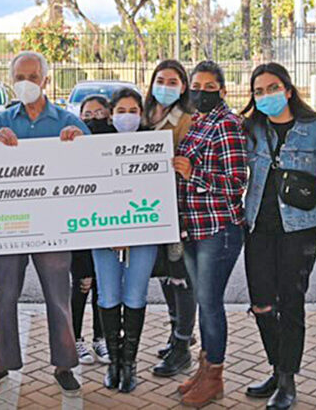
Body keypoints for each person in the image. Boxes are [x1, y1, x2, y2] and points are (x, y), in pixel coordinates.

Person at [0, 51, 89, 397]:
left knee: (58, 296)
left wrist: (81, 141)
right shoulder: (3, 120)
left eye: (33, 77)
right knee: (4, 294)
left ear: (46, 81)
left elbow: (97, 163)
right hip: (9, 224)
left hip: (54, 227)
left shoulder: (66, 121)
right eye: (20, 77)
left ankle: (65, 364)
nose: (27, 83)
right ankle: (0, 363)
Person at [240, 62, 316, 410]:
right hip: (258, 225)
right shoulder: (251, 129)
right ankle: (278, 368)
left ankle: (287, 381)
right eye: (259, 91)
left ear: (288, 90)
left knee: (291, 304)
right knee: (261, 303)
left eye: (272, 88)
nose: (266, 96)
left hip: (301, 228)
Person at [173, 60, 248, 407]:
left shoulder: (227, 125)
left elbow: (236, 183)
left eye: (209, 87)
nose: (201, 93)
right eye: (196, 86)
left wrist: (193, 175)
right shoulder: (198, 122)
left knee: (210, 304)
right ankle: (205, 371)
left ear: (222, 90)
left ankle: (214, 375)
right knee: (204, 302)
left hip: (219, 229)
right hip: (194, 226)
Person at [93, 87, 158, 394]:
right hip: (103, 234)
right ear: (111, 114)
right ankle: (113, 362)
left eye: (133, 111)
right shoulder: (96, 144)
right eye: (121, 111)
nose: (127, 116)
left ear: (141, 114)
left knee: (135, 296)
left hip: (143, 236)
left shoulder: (153, 144)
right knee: (107, 296)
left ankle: (129, 364)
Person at [142, 59, 198, 378]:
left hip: (178, 210)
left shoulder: (186, 119)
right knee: (165, 274)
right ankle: (177, 331)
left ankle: (182, 348)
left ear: (183, 86)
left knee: (181, 276)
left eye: (172, 81)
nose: (164, 86)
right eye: (160, 80)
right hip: (150, 210)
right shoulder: (145, 115)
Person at [70, 94, 114, 366]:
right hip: (80, 223)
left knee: (102, 285)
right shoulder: (73, 141)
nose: (93, 118)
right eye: (88, 113)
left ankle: (101, 338)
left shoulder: (116, 140)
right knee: (82, 283)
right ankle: (75, 339)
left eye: (99, 113)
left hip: (108, 222)